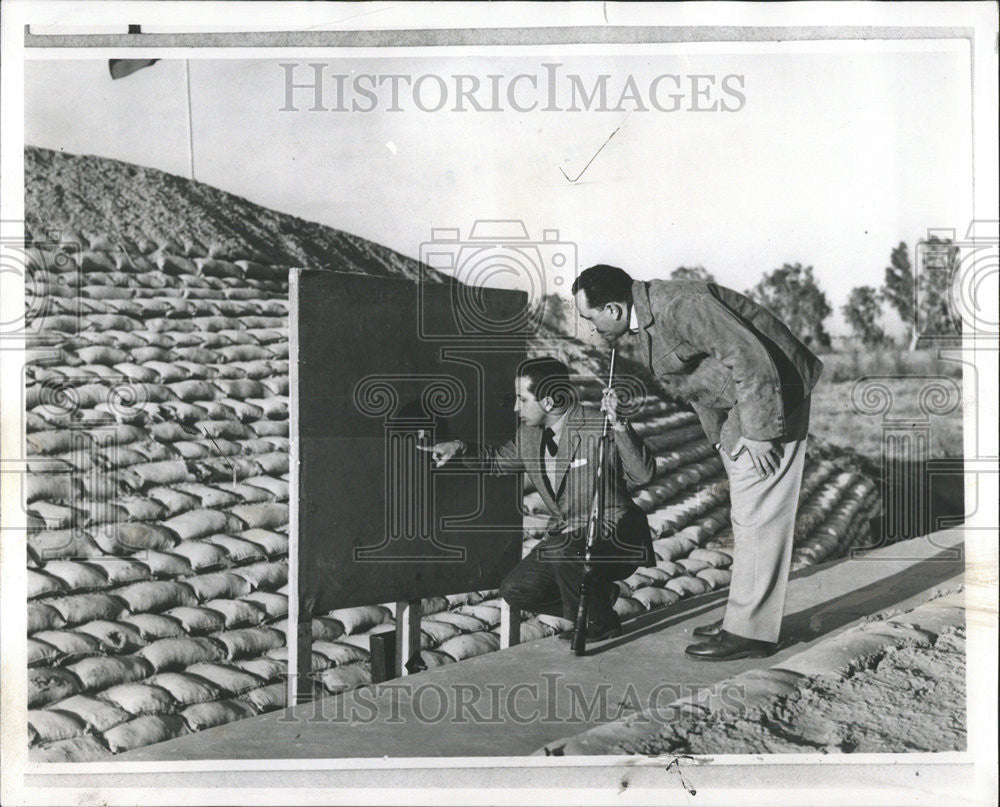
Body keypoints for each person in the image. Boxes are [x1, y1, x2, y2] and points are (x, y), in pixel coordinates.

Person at [572, 264, 824, 661]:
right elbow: (700, 379)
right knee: (747, 513)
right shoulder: (647, 316)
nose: (590, 329)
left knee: (758, 513)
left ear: (614, 310)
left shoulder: (678, 306)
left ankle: (751, 632)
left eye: (590, 318)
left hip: (773, 395)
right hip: (745, 403)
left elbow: (749, 358)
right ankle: (743, 620)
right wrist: (723, 440)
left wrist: (758, 433)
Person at [419, 356, 656, 643]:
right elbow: (496, 462)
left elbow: (642, 475)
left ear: (549, 401)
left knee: (563, 551)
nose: (517, 407)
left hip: (616, 537)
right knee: (517, 589)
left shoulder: (598, 426)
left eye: (523, 399)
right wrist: (458, 448)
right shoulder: (529, 435)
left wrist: (619, 425)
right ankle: (597, 605)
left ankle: (597, 623)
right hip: (569, 543)